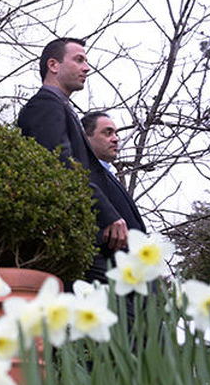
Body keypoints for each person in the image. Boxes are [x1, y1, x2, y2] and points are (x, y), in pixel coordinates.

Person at [16, 38, 137, 284]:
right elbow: (61, 166)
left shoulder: (61, 107)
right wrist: (107, 214)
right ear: (53, 65)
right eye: (79, 60)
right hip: (85, 242)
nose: (87, 68)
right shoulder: (45, 106)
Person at [82, 110, 146, 283]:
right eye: (107, 133)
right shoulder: (83, 175)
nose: (116, 139)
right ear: (85, 138)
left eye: (116, 134)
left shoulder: (107, 173)